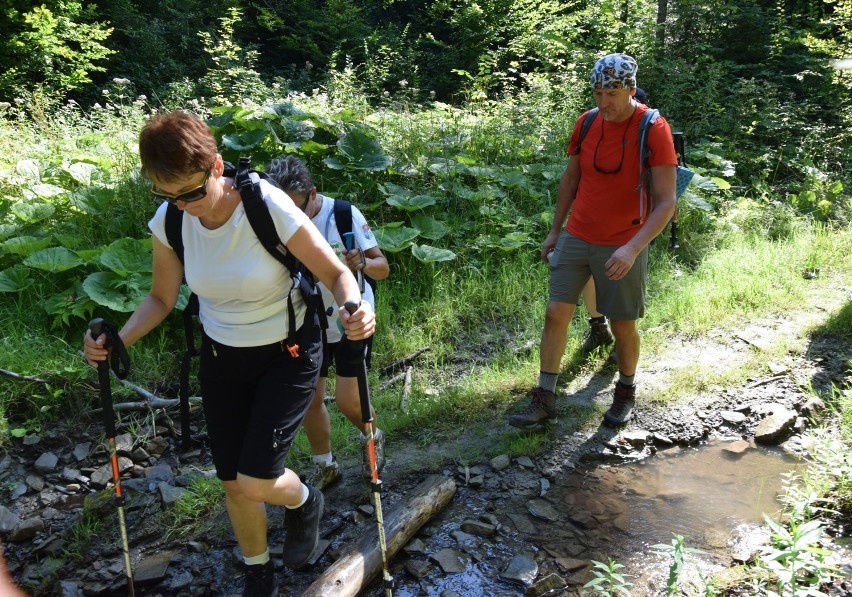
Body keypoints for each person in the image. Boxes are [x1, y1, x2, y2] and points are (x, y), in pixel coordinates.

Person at [83, 111, 375, 597]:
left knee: (257, 478)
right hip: (221, 358)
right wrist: (117, 341)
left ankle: (303, 502)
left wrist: (355, 306)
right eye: (169, 194)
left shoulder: (267, 205)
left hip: (289, 351)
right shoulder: (171, 221)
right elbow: (160, 298)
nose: (186, 206)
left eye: (193, 192)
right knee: (234, 483)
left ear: (216, 166)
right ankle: (258, 569)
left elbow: (336, 274)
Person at [509, 56, 677, 429]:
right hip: (578, 234)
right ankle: (545, 396)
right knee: (555, 312)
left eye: (612, 94)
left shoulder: (653, 127)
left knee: (622, 324)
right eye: (598, 93)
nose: (604, 103)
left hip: (622, 242)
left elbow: (666, 201)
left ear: (631, 89)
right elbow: (570, 180)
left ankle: (625, 391)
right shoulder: (586, 123)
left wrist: (633, 248)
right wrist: (556, 231)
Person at [266, 155, 390, 491]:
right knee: (309, 399)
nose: (290, 215)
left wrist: (362, 260)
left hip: (352, 318)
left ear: (313, 194)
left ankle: (374, 441)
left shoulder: (342, 214)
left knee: (350, 402)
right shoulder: (276, 218)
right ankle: (327, 466)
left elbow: (383, 267)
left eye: (297, 207)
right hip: (308, 321)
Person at [577, 86, 649, 357]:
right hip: (593, 218)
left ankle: (622, 339)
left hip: (632, 223)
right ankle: (598, 328)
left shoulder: (648, 128)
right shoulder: (594, 125)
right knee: (591, 274)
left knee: (623, 282)